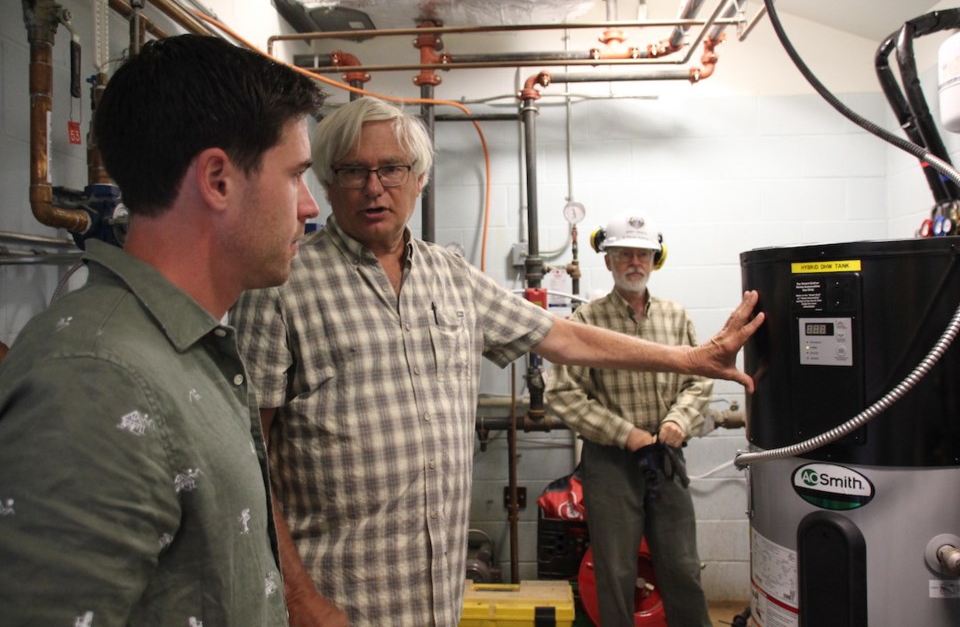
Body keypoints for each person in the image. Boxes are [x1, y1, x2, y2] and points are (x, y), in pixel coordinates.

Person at [230, 96, 763, 627]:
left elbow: (564, 338)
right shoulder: (281, 287)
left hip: (436, 600)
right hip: (337, 603)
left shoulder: (451, 275)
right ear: (326, 182)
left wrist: (692, 360)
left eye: (392, 168)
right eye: (352, 170)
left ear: (419, 179)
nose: (374, 187)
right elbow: (246, 460)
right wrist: (300, 602)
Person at [0, 34, 326, 626]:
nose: (309, 207)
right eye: (296, 175)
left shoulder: (184, 349)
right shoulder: (96, 380)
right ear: (218, 180)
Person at [546, 211, 714, 627]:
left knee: (682, 566)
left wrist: (677, 422)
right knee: (615, 570)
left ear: (656, 261)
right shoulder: (585, 322)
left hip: (668, 454)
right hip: (611, 461)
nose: (634, 262)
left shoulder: (675, 317)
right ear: (608, 261)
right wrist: (628, 434)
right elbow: (562, 394)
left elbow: (700, 379)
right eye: (624, 255)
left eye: (644, 254)